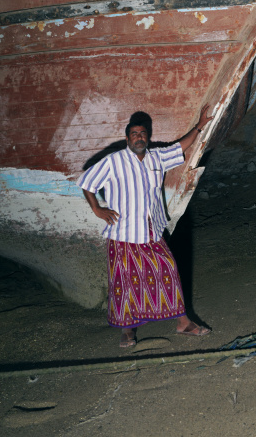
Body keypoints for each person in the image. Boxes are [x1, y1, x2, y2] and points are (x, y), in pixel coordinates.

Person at [77, 105, 213, 348]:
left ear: (147, 137)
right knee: (124, 283)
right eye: (134, 134)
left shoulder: (156, 158)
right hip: (122, 235)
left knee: (168, 271)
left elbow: (181, 146)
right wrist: (97, 209)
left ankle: (182, 323)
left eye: (142, 133)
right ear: (127, 138)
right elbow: (87, 182)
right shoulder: (114, 161)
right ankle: (127, 331)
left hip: (151, 232)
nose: (138, 137)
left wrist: (200, 125)